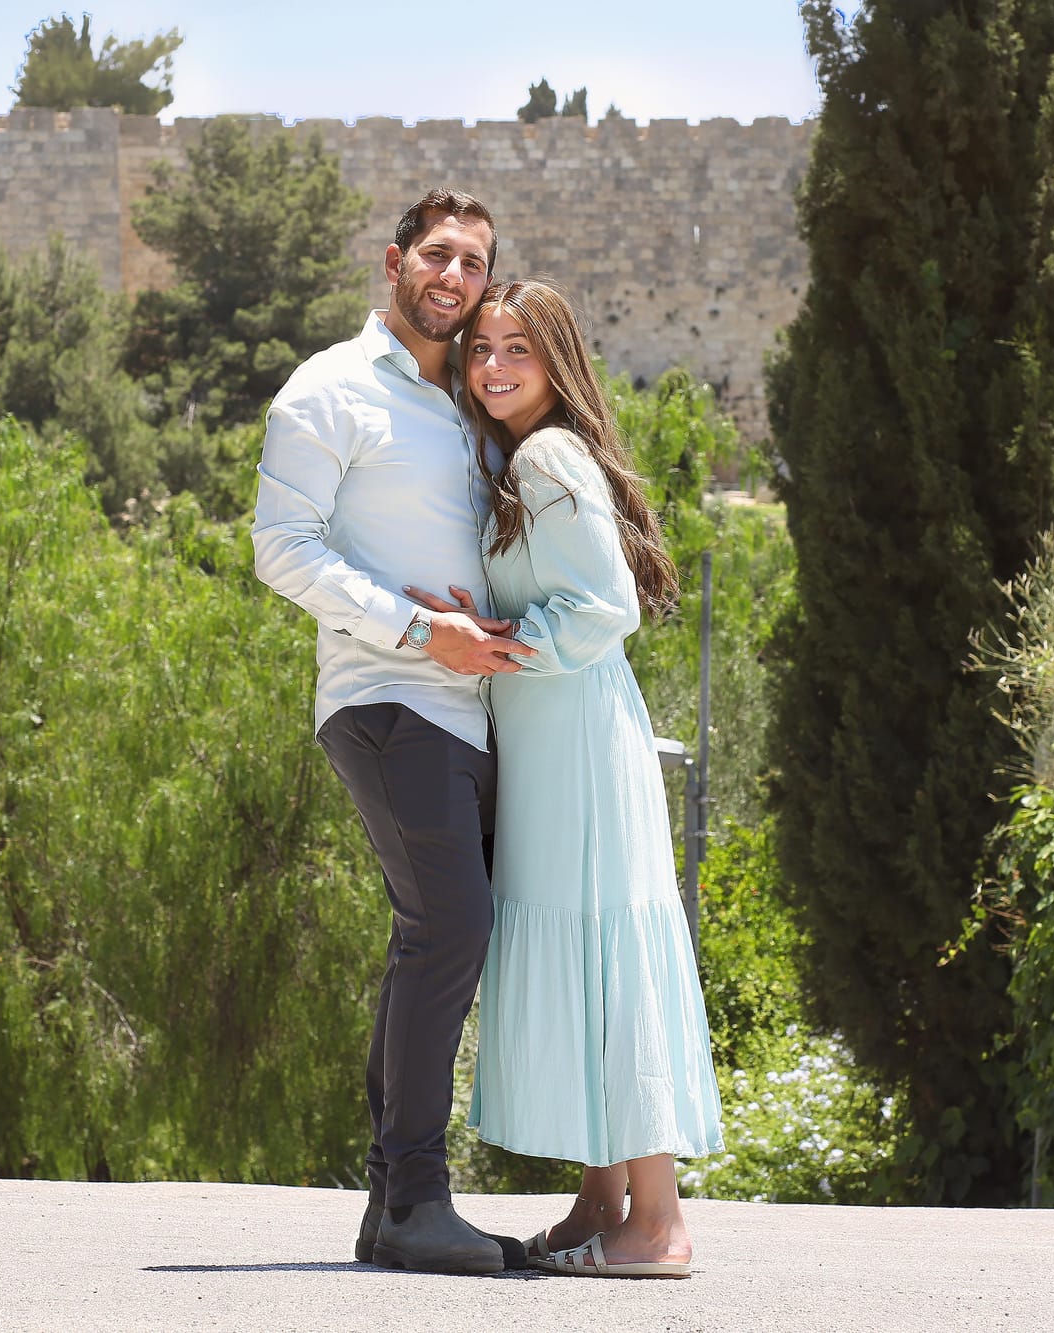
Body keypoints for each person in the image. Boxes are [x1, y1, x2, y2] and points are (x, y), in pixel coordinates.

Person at [409, 278, 723, 1278]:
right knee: (589, 951)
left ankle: (658, 1224)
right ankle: (602, 1199)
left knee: (604, 953)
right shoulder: (526, 458)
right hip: (557, 735)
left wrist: (497, 645)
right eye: (480, 349)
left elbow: (604, 607)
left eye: (518, 349)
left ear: (557, 362)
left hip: (578, 740)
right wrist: (488, 627)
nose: (493, 366)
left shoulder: (546, 457)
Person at [252, 188, 534, 1275]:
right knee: (449, 927)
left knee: (436, 934)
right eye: (437, 255)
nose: (454, 277)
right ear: (394, 261)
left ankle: (391, 1209)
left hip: (477, 709)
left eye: (473, 262)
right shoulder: (328, 388)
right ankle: (416, 1199)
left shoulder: (475, 398)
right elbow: (282, 548)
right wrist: (421, 630)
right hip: (386, 698)